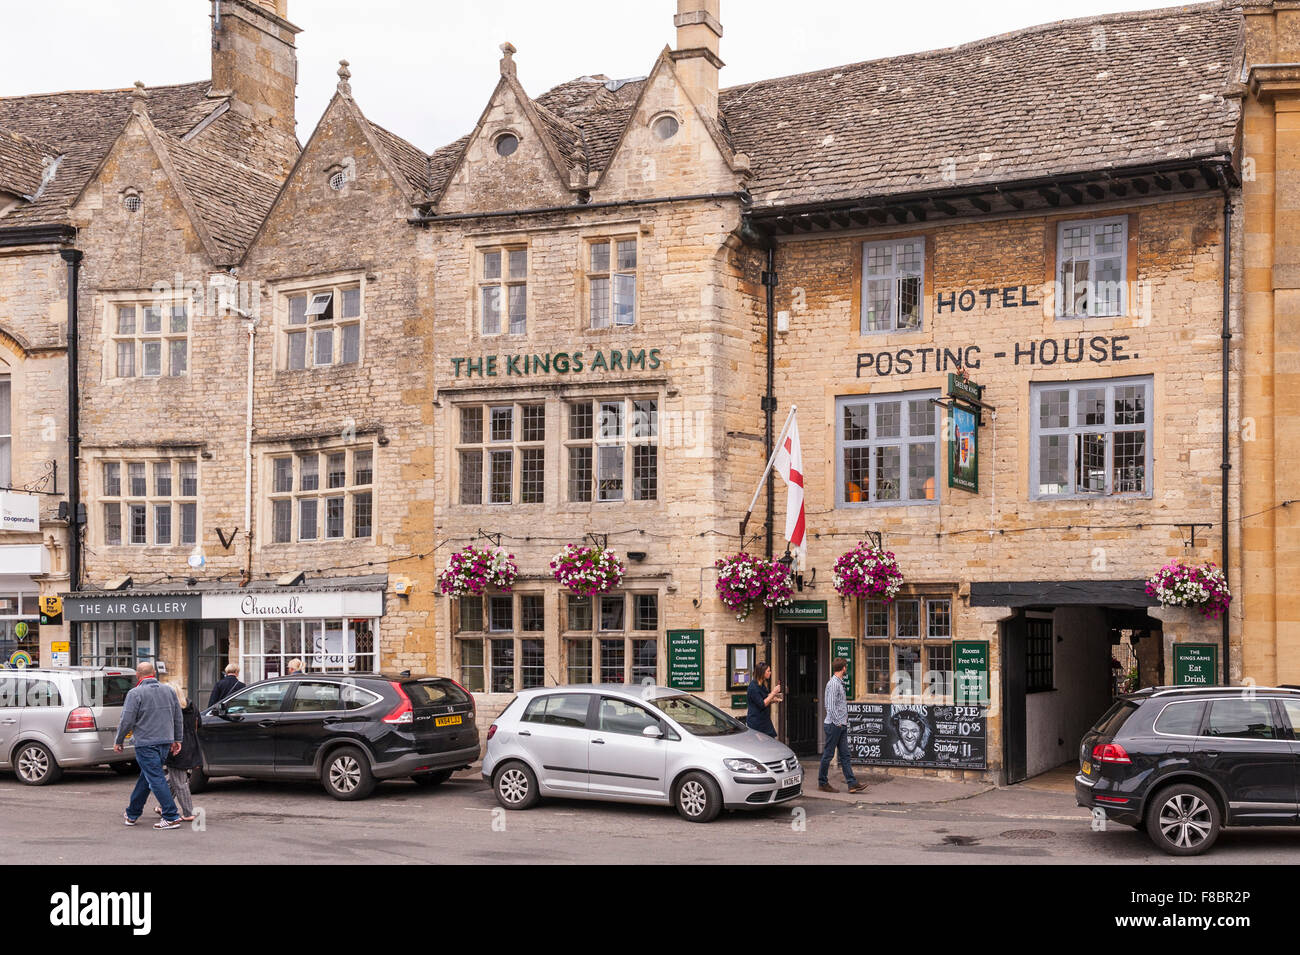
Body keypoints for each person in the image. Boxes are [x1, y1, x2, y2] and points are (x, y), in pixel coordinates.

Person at [114, 662, 184, 830]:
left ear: (138, 676)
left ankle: (171, 815)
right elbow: (177, 716)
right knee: (147, 777)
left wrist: (119, 739)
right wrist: (177, 739)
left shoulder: (135, 693)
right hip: (165, 741)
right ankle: (132, 813)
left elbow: (127, 719)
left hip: (146, 742)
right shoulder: (168, 690)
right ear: (154, 673)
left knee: (155, 778)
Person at [818, 656, 866, 794]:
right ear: (843, 668)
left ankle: (852, 784)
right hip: (835, 725)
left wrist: (842, 723)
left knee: (845, 755)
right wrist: (838, 723)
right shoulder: (833, 684)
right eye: (846, 667)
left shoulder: (839, 682)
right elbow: (830, 706)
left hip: (841, 725)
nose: (846, 669)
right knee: (828, 754)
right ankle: (822, 782)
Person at [157, 681, 200, 822]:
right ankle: (163, 806)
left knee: (179, 781)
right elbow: (197, 724)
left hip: (176, 745)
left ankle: (188, 812)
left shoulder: (170, 709)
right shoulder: (191, 705)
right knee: (175, 778)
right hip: (191, 744)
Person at [745, 662, 781, 738]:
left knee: (771, 740)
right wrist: (774, 692)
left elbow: (765, 699)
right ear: (762, 672)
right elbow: (762, 704)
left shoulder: (762, 684)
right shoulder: (753, 687)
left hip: (764, 720)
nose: (770, 673)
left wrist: (773, 700)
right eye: (768, 671)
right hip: (756, 722)